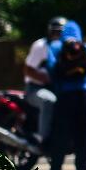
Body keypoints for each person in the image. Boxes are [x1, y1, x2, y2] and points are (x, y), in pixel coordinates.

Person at [45, 20, 86, 170]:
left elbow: (51, 68)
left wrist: (58, 86)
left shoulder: (56, 47)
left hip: (64, 96)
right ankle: (81, 168)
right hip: (84, 95)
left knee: (60, 133)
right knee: (83, 132)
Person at [22, 16, 65, 145]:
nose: (57, 34)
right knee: (49, 100)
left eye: (60, 32)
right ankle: (42, 138)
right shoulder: (41, 46)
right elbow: (28, 70)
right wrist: (48, 80)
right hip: (36, 88)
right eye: (55, 31)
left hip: (58, 88)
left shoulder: (66, 47)